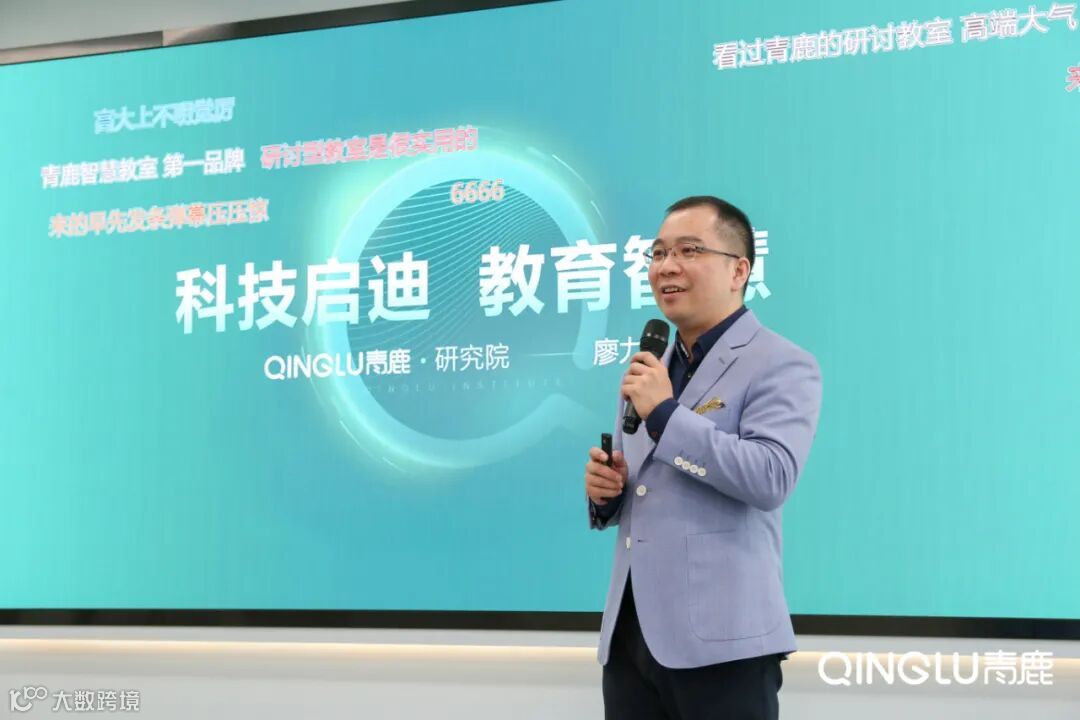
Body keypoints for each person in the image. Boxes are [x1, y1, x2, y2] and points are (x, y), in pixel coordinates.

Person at [584, 196, 822, 719]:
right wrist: (608, 494)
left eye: (689, 251)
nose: (667, 266)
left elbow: (770, 477)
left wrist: (666, 415)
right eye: (658, 253)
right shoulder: (648, 369)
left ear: (739, 270)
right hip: (631, 639)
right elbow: (649, 486)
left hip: (724, 643)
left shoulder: (781, 362)